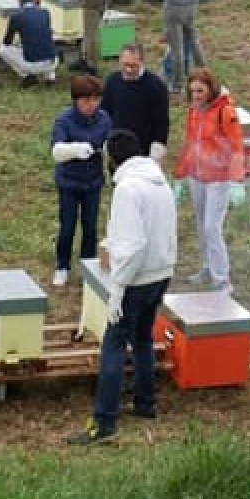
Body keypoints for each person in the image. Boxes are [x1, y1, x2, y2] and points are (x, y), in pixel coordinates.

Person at [70, 129, 177, 445]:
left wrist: (117, 288)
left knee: (113, 345)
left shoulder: (128, 190)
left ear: (112, 160)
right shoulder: (160, 183)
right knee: (143, 338)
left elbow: (132, 246)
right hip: (161, 273)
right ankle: (146, 404)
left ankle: (104, 423)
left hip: (136, 279)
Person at [174, 68, 245, 293]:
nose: (196, 95)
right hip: (197, 175)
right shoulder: (194, 110)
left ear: (211, 89)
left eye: (200, 91)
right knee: (200, 225)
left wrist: (236, 181)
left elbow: (236, 147)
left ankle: (222, 279)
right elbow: (190, 144)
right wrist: (180, 176)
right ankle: (207, 266)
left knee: (212, 227)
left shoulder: (225, 111)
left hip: (219, 178)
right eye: (192, 91)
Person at [50, 74, 113, 288]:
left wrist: (107, 150)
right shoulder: (64, 119)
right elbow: (57, 151)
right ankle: (62, 266)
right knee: (67, 226)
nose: (91, 105)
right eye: (86, 100)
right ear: (76, 100)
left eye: (96, 100)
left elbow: (108, 142)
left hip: (93, 182)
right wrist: (76, 149)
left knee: (90, 226)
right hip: (68, 183)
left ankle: (88, 267)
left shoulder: (104, 118)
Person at [102, 44, 171, 162]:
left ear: (142, 62)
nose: (128, 69)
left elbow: (162, 121)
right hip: (117, 148)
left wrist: (158, 147)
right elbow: (105, 112)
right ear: (119, 61)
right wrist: (105, 139)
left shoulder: (156, 86)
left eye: (133, 66)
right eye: (125, 65)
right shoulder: (112, 81)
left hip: (144, 151)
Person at [0, 0, 59, 87]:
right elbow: (44, 33)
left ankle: (27, 76)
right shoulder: (45, 12)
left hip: (32, 65)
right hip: (53, 62)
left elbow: (7, 41)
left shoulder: (16, 17)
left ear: (19, 2)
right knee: (44, 43)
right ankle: (50, 78)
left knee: (2, 50)